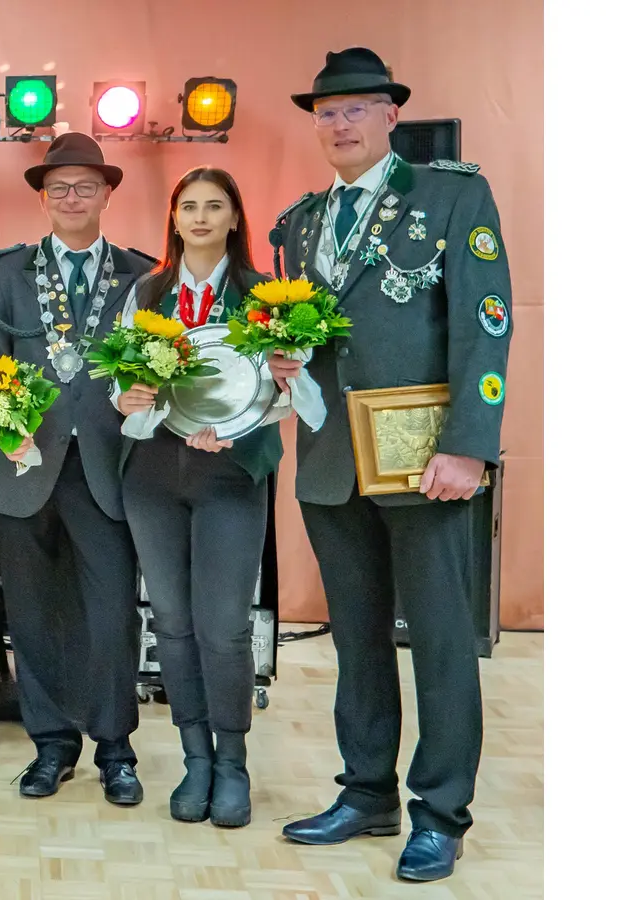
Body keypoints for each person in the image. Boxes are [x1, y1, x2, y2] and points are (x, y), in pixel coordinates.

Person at [267, 48, 512, 882]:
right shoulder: (298, 223)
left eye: (356, 110)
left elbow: (486, 322)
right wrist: (279, 363)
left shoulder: (447, 196)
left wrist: (470, 444)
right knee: (357, 641)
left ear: (390, 116)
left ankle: (440, 812)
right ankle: (366, 793)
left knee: (441, 641)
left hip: (424, 460)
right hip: (332, 461)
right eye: (327, 113)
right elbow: (299, 335)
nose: (339, 124)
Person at [0, 132, 150, 802]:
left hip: (105, 467)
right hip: (24, 462)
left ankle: (115, 746)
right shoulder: (5, 274)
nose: (72, 197)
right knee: (33, 611)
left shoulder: (141, 275)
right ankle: (50, 744)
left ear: (107, 193)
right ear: (42, 198)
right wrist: (1, 424)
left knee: (111, 614)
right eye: (59, 188)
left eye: (85, 186)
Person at [111, 167, 282, 827]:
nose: (202, 217)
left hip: (232, 475)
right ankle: (195, 759)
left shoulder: (265, 296)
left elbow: (282, 391)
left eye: (216, 206)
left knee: (224, 626)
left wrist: (238, 428)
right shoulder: (146, 292)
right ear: (174, 219)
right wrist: (127, 398)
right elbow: (122, 383)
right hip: (152, 471)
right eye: (190, 207)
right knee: (174, 623)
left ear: (236, 218)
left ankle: (233, 762)